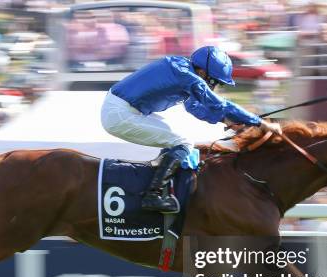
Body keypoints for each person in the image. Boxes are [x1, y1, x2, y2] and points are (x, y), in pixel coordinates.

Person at [100, 45, 282, 213]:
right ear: (202, 71)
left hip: (128, 110)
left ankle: (160, 184)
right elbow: (221, 103)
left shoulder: (184, 70)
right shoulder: (185, 74)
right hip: (120, 113)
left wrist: (225, 119)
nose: (214, 86)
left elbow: (194, 107)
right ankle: (152, 196)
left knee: (179, 139)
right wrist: (259, 122)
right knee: (182, 142)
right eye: (214, 81)